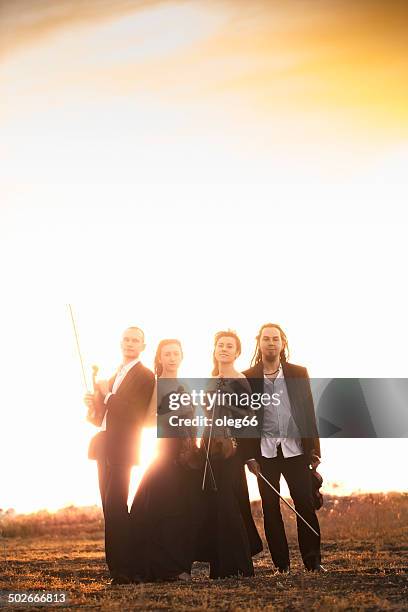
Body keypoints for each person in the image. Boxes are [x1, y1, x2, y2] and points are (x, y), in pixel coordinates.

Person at [240, 323, 322, 573]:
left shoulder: (299, 373)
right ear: (259, 343)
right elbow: (243, 419)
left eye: (275, 339)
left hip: (295, 450)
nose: (271, 343)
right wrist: (248, 457)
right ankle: (281, 566)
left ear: (282, 343)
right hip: (264, 454)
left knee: (305, 505)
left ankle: (313, 562)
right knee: (270, 509)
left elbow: (309, 412)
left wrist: (315, 450)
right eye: (266, 339)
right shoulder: (248, 377)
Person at [84, 326, 155, 585]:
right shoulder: (114, 374)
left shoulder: (146, 376)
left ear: (143, 346)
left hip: (123, 447)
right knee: (108, 507)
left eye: (136, 339)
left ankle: (129, 568)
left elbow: (134, 413)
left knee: (116, 505)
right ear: (120, 342)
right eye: (126, 339)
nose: (130, 343)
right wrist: (94, 405)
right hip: (103, 444)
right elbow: (102, 418)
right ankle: (117, 569)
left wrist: (108, 394)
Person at [129, 339, 202, 582]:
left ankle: (180, 566)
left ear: (181, 356)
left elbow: (194, 422)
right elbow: (148, 421)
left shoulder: (186, 386)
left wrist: (195, 446)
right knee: (163, 510)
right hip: (165, 452)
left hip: (188, 453)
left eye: (175, 353)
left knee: (185, 512)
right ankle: (165, 569)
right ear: (160, 358)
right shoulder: (157, 385)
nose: (171, 357)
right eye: (166, 354)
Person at [196, 330, 263, 579]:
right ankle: (220, 566)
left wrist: (247, 456)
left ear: (237, 352)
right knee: (215, 504)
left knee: (228, 503)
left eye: (229, 346)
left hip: (231, 450)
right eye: (220, 345)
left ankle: (241, 565)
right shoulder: (212, 379)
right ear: (214, 350)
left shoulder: (240, 380)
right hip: (210, 446)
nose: (224, 349)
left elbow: (248, 420)